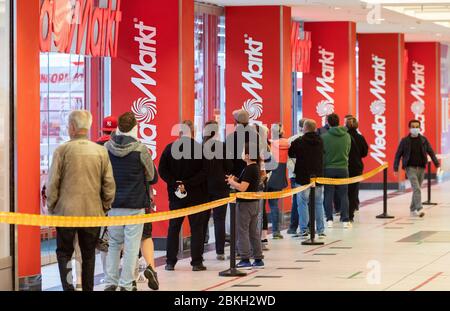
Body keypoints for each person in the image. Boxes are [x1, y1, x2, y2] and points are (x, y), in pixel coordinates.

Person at [46, 110, 116, 291]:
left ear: (72, 127)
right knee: (88, 254)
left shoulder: (62, 150)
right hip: (92, 213)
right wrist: (105, 206)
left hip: (66, 213)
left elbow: (52, 183)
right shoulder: (101, 151)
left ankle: (68, 287)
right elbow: (109, 184)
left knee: (64, 254)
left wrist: (51, 206)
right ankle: (88, 289)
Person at [104, 112, 156, 291]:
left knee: (113, 245)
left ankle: (110, 282)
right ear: (135, 127)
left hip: (113, 204)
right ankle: (126, 284)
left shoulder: (106, 148)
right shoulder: (140, 149)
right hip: (135, 205)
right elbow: (152, 176)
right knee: (132, 247)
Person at [159, 120, 208, 271]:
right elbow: (205, 172)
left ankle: (170, 262)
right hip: (196, 195)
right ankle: (197, 262)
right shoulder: (200, 149)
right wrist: (188, 182)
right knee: (197, 228)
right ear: (193, 132)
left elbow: (162, 170)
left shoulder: (169, 148)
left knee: (174, 228)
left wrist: (176, 183)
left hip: (175, 194)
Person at [226, 142, 264, 269]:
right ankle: (258, 259)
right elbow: (245, 182)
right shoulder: (254, 167)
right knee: (253, 232)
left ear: (247, 155)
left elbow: (243, 188)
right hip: (254, 203)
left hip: (245, 205)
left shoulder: (249, 168)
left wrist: (232, 182)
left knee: (242, 231)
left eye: (243, 151)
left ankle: (245, 258)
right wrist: (235, 179)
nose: (242, 154)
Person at [394, 119, 440, 217]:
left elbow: (431, 152)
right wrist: (395, 167)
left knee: (417, 188)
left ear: (419, 128)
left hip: (422, 167)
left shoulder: (423, 140)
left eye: (417, 127)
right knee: (416, 188)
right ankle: (419, 208)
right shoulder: (405, 141)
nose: (415, 129)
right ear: (409, 128)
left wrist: (436, 163)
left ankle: (412, 208)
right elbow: (398, 154)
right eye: (413, 127)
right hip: (410, 168)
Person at [289, 119, 325, 238]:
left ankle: (304, 229)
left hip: (302, 177)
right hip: (318, 176)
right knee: (319, 203)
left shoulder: (299, 141)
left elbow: (291, 153)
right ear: (315, 128)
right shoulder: (320, 140)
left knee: (303, 203)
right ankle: (320, 230)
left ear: (304, 128)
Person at [202, 120, 233, 260]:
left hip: (203, 188)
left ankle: (199, 250)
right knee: (219, 219)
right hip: (221, 187)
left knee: (202, 219)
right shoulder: (223, 147)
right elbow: (229, 166)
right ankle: (220, 251)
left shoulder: (200, 147)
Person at [321, 113, 351, 228]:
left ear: (328, 123)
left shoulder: (324, 137)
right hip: (343, 168)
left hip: (328, 169)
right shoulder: (347, 136)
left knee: (328, 194)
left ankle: (329, 219)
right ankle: (345, 219)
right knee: (344, 195)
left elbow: (322, 154)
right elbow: (348, 151)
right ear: (339, 122)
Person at [266, 123, 290, 239]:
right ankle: (276, 232)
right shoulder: (287, 144)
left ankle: (261, 234)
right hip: (279, 179)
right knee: (274, 206)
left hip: (267, 178)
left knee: (259, 208)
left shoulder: (270, 144)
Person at [346, 117, 368, 222]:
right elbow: (365, 153)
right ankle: (350, 214)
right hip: (356, 167)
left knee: (343, 191)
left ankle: (343, 212)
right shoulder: (360, 138)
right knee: (353, 191)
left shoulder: (344, 137)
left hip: (345, 166)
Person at [287, 119, 306, 235]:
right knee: (304, 201)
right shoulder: (293, 140)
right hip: (299, 174)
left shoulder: (291, 140)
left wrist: (294, 170)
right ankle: (300, 226)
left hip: (294, 174)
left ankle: (294, 227)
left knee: (296, 201)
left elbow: (288, 160)